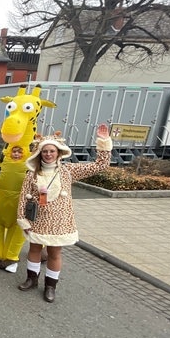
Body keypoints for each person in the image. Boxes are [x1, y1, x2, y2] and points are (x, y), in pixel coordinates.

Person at [17, 125, 112, 302]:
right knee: (34, 249)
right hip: (37, 219)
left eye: (52, 151)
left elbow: (101, 165)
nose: (48, 154)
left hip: (59, 221)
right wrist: (23, 219)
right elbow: (23, 197)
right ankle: (31, 279)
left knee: (54, 253)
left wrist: (103, 142)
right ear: (39, 153)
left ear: (58, 153)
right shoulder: (32, 174)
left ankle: (50, 287)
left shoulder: (68, 171)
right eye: (45, 151)